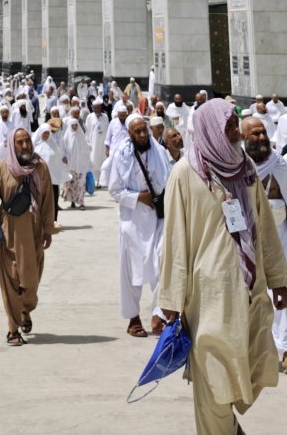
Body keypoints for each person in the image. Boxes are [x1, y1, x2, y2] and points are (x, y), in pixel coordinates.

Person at [159, 98, 287, 434]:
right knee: (212, 377)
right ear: (211, 130)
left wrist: (278, 278)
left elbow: (264, 226)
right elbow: (174, 239)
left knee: (256, 364)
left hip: (250, 290)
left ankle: (227, 426)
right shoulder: (185, 173)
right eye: (229, 126)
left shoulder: (246, 169)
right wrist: (171, 299)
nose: (237, 133)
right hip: (207, 297)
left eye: (235, 125)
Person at [0, 126, 54, 344]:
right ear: (12, 145)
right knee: (10, 281)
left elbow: (48, 200)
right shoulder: (2, 168)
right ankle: (13, 329)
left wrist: (48, 229)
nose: (25, 146)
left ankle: (25, 309)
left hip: (33, 233)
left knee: (30, 282)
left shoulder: (40, 168)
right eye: (19, 142)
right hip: (8, 233)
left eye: (27, 141)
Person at [108, 114, 169, 338]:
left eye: (145, 130)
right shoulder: (121, 155)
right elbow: (115, 190)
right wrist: (139, 197)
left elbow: (169, 180)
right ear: (129, 133)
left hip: (158, 219)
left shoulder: (159, 152)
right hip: (132, 221)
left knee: (162, 264)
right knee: (131, 271)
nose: (143, 135)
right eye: (138, 131)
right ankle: (133, 318)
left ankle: (159, 314)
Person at [242, 114, 287, 371]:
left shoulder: (280, 165)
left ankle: (285, 347)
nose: (261, 138)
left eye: (263, 133)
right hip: (247, 244)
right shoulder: (237, 167)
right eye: (255, 134)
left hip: (280, 242)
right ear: (243, 138)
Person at [60, 108, 91, 210]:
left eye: (76, 125)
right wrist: (64, 157)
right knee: (71, 185)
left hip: (81, 166)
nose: (74, 127)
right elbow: (63, 149)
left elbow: (86, 150)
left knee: (81, 184)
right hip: (70, 165)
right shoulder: (66, 137)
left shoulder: (81, 137)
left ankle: (81, 202)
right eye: (72, 125)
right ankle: (72, 201)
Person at [85, 98, 109, 182]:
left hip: (103, 143)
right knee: (94, 160)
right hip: (93, 143)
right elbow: (87, 131)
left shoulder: (105, 116)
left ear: (100, 107)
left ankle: (103, 180)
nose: (96, 109)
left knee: (103, 160)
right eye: (95, 108)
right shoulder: (89, 117)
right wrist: (87, 143)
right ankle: (95, 180)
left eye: (98, 107)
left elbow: (107, 130)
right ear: (92, 108)